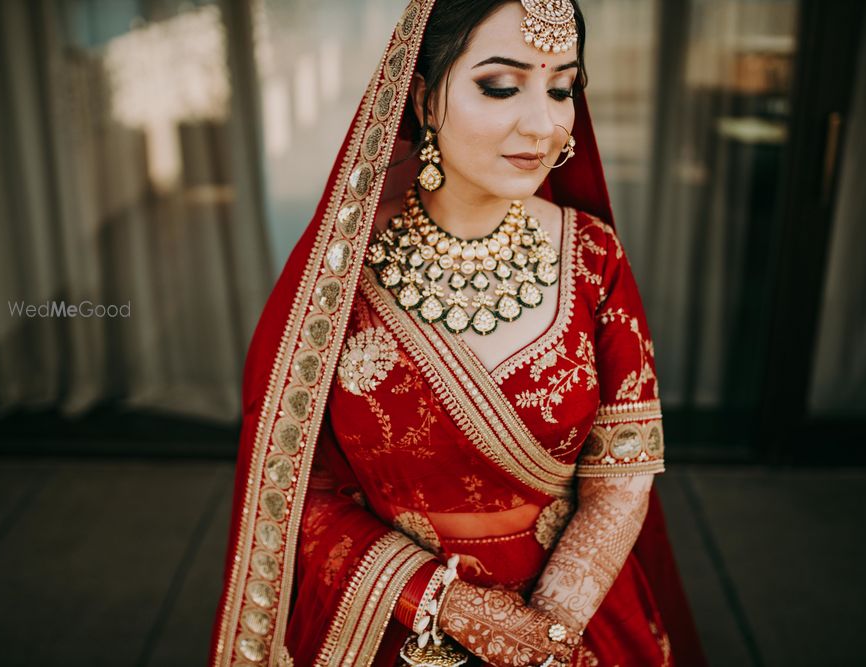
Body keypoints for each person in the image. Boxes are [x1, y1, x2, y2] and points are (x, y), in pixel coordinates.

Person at [208, 1, 708, 665]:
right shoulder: (340, 277)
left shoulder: (592, 257)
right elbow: (296, 491)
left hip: (575, 613)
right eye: (500, 86)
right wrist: (447, 603)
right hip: (390, 620)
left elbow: (621, 478)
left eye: (562, 88)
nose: (544, 124)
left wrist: (547, 632)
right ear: (422, 98)